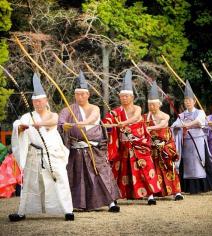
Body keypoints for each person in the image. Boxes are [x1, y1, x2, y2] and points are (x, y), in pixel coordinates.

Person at [9, 73, 74, 222]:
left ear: (46, 100)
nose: (38, 104)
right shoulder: (27, 116)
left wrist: (39, 124)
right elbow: (18, 127)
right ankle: (21, 212)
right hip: (34, 155)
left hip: (52, 154)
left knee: (60, 180)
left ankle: (68, 211)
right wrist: (21, 128)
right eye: (35, 102)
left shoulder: (53, 114)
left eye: (40, 101)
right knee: (29, 184)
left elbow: (53, 122)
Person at [58, 70, 120, 212]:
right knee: (77, 178)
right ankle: (74, 205)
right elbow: (61, 120)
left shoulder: (95, 108)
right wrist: (64, 125)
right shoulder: (69, 109)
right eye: (77, 94)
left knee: (102, 175)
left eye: (82, 94)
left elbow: (93, 117)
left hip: (94, 149)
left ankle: (111, 203)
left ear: (88, 94)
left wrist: (84, 122)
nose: (80, 97)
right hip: (76, 150)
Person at [103, 70, 161, 205]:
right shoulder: (116, 112)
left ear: (132, 97)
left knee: (144, 167)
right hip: (123, 146)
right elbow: (106, 123)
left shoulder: (137, 108)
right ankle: (116, 196)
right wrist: (108, 124)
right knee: (120, 170)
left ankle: (150, 195)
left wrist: (124, 123)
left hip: (139, 144)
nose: (124, 99)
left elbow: (136, 117)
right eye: (122, 96)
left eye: (127, 96)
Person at [171, 80, 212, 195]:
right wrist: (177, 126)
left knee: (204, 163)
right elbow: (174, 125)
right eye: (185, 100)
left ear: (194, 101)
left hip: (198, 140)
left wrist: (186, 125)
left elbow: (199, 122)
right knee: (187, 164)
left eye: (189, 100)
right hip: (187, 143)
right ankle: (190, 188)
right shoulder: (182, 114)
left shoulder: (200, 112)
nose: (187, 102)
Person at [143, 81, 183, 200]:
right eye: (150, 105)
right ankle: (153, 193)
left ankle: (177, 192)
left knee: (169, 168)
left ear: (159, 105)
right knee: (153, 170)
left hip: (165, 147)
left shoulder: (165, 116)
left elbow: (162, 125)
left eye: (153, 105)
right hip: (152, 148)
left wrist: (148, 127)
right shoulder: (145, 117)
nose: (151, 107)